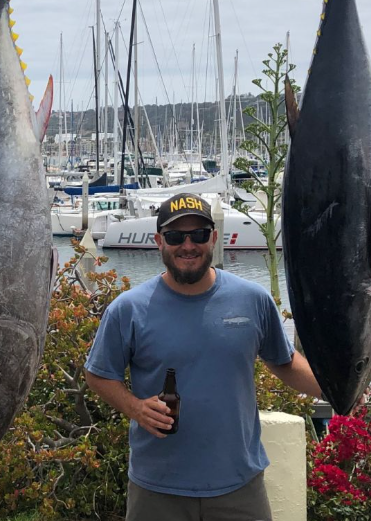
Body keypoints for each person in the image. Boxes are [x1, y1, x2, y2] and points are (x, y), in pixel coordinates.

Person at [84, 193, 322, 521]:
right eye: (175, 236)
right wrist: (135, 408)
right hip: (157, 488)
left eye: (198, 234)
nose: (188, 245)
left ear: (213, 238)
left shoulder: (252, 299)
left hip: (239, 486)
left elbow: (285, 362)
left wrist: (339, 390)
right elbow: (98, 373)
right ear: (158, 241)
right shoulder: (128, 309)